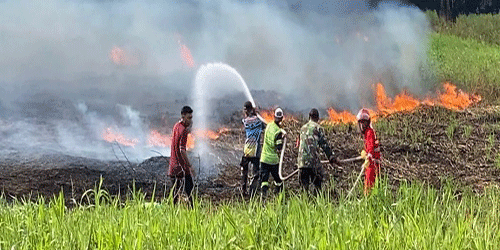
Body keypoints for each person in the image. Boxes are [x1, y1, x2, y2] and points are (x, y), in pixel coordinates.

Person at [297, 108, 340, 194]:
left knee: (304, 189)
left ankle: (304, 203)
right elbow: (324, 144)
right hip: (313, 162)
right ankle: (317, 201)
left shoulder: (302, 128)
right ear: (317, 118)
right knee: (318, 184)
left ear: (309, 117)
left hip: (301, 163)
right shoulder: (318, 128)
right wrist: (331, 157)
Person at [168, 106, 195, 207]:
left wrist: (189, 128)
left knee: (175, 192)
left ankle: (173, 213)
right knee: (190, 190)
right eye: (189, 118)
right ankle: (192, 211)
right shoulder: (183, 130)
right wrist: (190, 166)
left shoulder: (176, 126)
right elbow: (182, 150)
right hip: (182, 167)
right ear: (183, 116)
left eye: (191, 118)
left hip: (173, 166)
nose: (190, 120)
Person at [240, 101, 266, 197]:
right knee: (256, 173)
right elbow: (264, 125)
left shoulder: (245, 121)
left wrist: (253, 113)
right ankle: (252, 191)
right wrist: (257, 114)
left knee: (244, 172)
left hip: (247, 150)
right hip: (255, 151)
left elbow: (245, 120)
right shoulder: (258, 121)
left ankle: (243, 191)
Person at [259, 107, 286, 199]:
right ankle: (279, 196)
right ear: (282, 118)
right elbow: (279, 147)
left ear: (274, 117)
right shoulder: (278, 132)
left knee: (264, 180)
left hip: (263, 158)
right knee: (278, 179)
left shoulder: (269, 126)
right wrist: (282, 138)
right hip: (273, 160)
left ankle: (263, 197)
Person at [356, 108, 381, 195]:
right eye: (361, 122)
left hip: (372, 164)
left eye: (364, 122)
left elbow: (371, 148)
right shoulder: (368, 132)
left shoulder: (369, 132)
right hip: (372, 163)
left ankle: (368, 203)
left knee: (368, 187)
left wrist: (368, 156)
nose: (362, 125)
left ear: (368, 122)